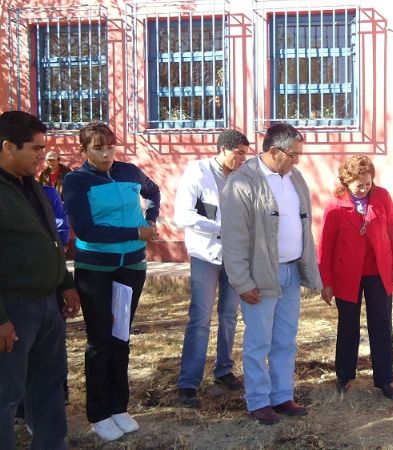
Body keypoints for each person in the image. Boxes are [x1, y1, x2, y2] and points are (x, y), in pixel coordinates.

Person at [62, 123, 160, 442]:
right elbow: (87, 231)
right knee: (100, 340)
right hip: (96, 270)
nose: (106, 154)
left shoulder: (129, 171)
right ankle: (98, 412)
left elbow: (153, 191)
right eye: (97, 148)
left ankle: (119, 406)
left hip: (131, 267)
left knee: (121, 338)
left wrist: (151, 219)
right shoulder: (77, 181)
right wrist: (135, 232)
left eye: (110, 147)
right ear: (84, 150)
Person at [221, 122, 322, 426]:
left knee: (285, 339)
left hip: (290, 271)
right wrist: (241, 281)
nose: (298, 160)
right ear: (275, 152)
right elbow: (234, 238)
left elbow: (304, 225)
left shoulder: (294, 177)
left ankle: (281, 396)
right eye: (294, 155)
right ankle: (258, 401)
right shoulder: (242, 182)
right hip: (260, 276)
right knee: (258, 341)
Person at [0, 110, 80, 450]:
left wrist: (65, 283)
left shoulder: (33, 186)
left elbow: (50, 238)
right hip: (13, 310)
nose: (42, 156)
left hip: (48, 306)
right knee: (6, 395)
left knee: (48, 387)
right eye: (35, 149)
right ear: (8, 147)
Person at [318, 155, 393, 400]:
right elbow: (325, 247)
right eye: (359, 185)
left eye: (368, 184)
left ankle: (385, 380)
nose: (365, 189)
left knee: (381, 325)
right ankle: (344, 375)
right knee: (348, 325)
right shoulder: (335, 205)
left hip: (378, 271)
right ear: (347, 182)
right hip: (347, 274)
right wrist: (326, 282)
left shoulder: (382, 197)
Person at [173, 129, 249, 406]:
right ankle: (189, 383)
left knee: (230, 314)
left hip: (236, 256)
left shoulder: (244, 175)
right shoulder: (198, 172)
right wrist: (218, 226)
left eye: (245, 153)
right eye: (238, 152)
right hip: (206, 254)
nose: (243, 158)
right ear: (222, 149)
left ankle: (224, 370)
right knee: (200, 318)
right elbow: (182, 214)